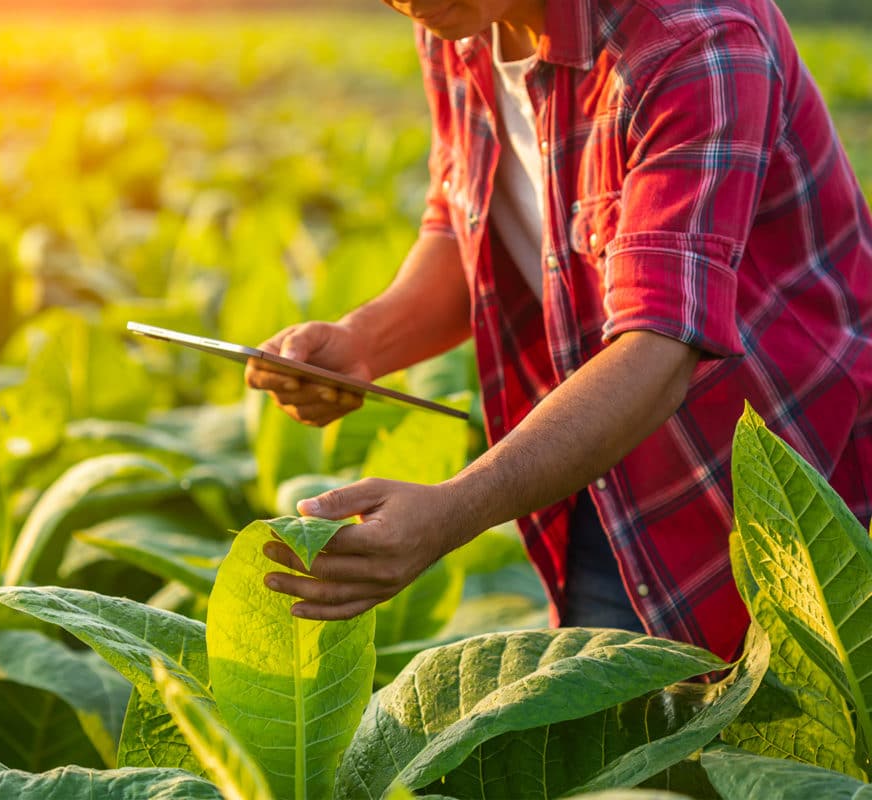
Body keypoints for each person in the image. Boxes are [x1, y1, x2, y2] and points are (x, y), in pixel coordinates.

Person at [245, 0, 872, 662]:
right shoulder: (457, 19)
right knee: (627, 753)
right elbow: (468, 220)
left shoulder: (695, 40)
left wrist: (453, 510)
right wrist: (366, 339)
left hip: (800, 509)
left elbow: (659, 346)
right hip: (597, 481)